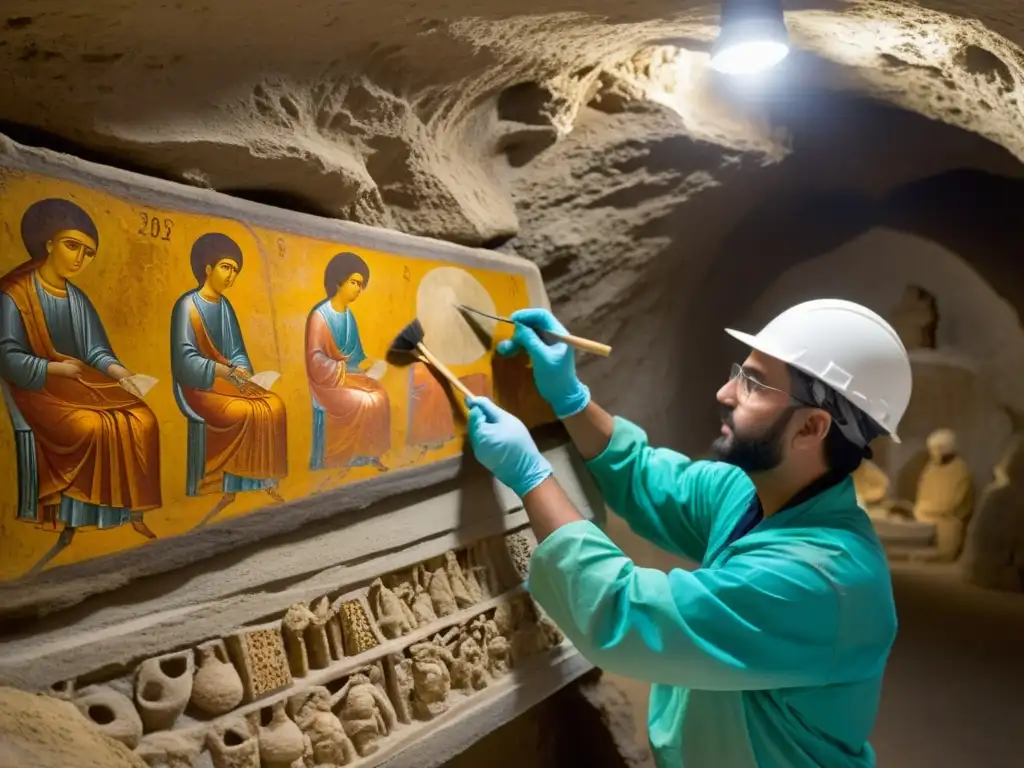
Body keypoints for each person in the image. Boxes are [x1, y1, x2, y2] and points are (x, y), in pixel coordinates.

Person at [464, 300, 913, 768]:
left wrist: (531, 475)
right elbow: (644, 476)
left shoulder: (822, 581)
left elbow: (625, 613)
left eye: (753, 384)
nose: (725, 391)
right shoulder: (757, 494)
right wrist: (571, 397)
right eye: (740, 371)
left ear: (811, 427)